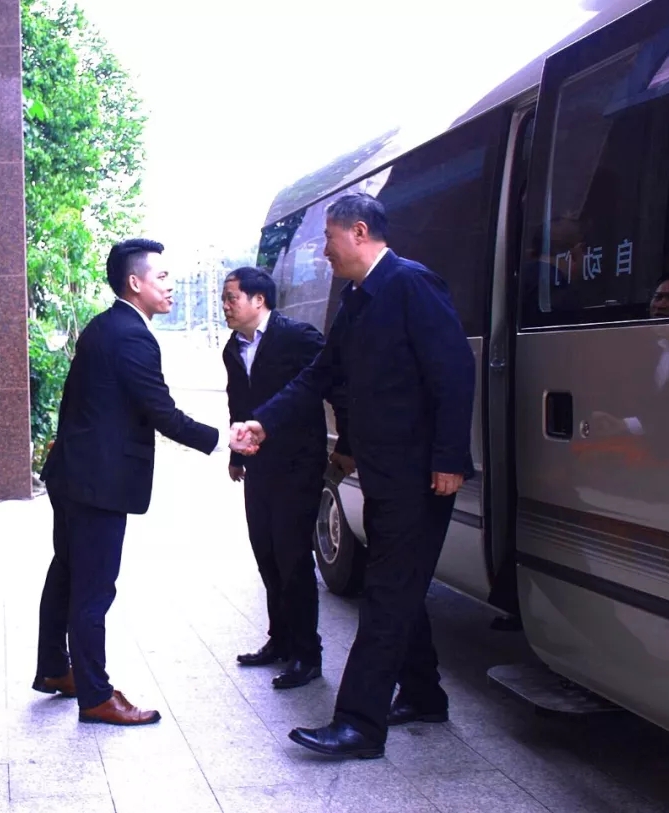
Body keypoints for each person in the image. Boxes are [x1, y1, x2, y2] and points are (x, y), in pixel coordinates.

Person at [234, 192, 476, 758]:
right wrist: (263, 423)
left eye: (329, 238)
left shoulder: (412, 284)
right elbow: (319, 375)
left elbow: (454, 371)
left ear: (360, 232)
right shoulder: (357, 299)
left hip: (419, 474)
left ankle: (360, 726)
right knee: (399, 588)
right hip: (382, 471)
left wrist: (448, 457)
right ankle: (424, 694)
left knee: (386, 594)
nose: (324, 252)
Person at [33, 238, 254, 726]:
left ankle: (54, 669)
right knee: (92, 588)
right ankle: (95, 694)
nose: (171, 285)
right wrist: (225, 441)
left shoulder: (104, 326)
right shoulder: (131, 336)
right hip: (96, 482)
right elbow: (160, 411)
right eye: (162, 277)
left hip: (74, 474)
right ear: (135, 283)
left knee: (67, 574)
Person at [221, 266, 333, 689]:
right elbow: (238, 402)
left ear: (259, 300)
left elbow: (333, 385)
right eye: (224, 299)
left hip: (298, 463)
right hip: (258, 464)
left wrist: (348, 443)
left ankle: (307, 654)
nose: (225, 306)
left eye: (232, 297)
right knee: (266, 552)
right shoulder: (234, 348)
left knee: (293, 556)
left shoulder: (297, 337)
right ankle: (280, 639)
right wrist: (236, 455)